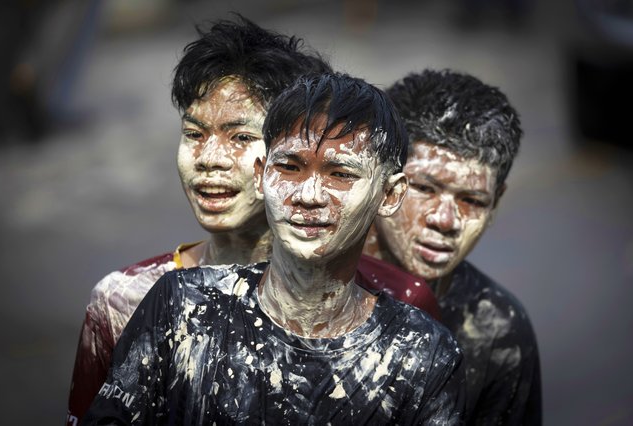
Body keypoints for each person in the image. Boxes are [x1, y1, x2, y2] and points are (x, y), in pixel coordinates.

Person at [67, 17, 439, 425]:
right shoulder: (128, 299)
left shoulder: (399, 303)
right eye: (193, 134)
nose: (209, 159)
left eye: (241, 137)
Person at [364, 69, 542, 425]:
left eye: (472, 200)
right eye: (425, 189)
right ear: (381, 175)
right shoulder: (294, 276)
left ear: (496, 202)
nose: (445, 220)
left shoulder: (497, 332)